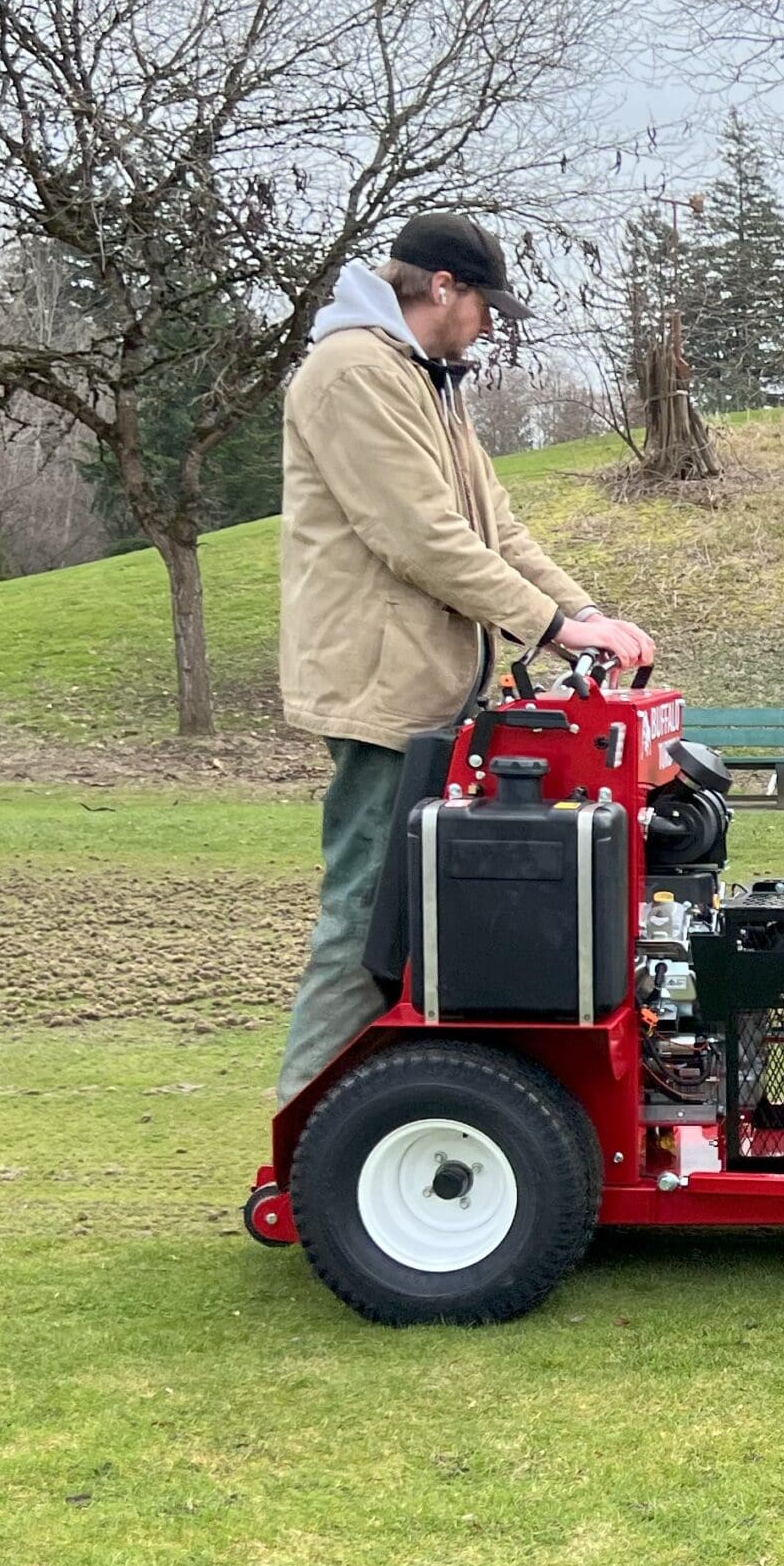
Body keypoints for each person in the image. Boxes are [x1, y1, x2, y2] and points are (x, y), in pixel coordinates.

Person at [273, 212, 655, 1100]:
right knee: (367, 921)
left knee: (416, 930)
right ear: (442, 287)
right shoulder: (353, 374)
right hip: (380, 692)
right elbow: (424, 537)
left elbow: (497, 528)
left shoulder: (424, 380)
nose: (488, 324)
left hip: (430, 690)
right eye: (485, 305)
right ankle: (308, 1144)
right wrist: (554, 632)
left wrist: (584, 611)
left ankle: (376, 1115)